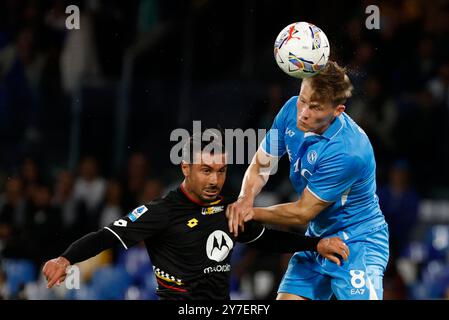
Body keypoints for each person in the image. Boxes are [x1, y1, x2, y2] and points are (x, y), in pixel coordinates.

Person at [42, 132, 349, 300]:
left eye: (221, 170)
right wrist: (65, 259)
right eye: (206, 171)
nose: (215, 180)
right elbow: (108, 235)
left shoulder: (228, 208)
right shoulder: (162, 211)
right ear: (185, 169)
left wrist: (315, 244)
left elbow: (265, 239)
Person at [227, 61, 389, 300]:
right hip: (317, 238)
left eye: (315, 107)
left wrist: (251, 212)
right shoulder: (290, 110)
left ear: (338, 111)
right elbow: (262, 164)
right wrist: (244, 198)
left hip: (358, 241)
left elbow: (302, 213)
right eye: (303, 99)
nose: (303, 112)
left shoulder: (349, 151)